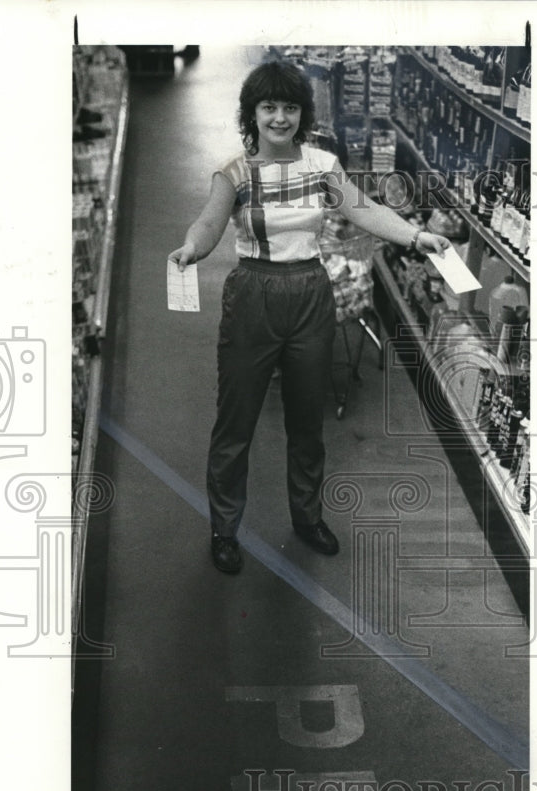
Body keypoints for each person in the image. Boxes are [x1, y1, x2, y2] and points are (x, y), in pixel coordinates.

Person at [169, 59, 450, 574]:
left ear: (304, 113)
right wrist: (191, 248)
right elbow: (208, 223)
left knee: (307, 420)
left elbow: (362, 209)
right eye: (269, 107)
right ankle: (224, 528)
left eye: (290, 107)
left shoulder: (323, 165)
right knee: (236, 423)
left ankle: (307, 516)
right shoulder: (233, 173)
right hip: (254, 295)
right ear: (251, 114)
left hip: (310, 295)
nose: (280, 118)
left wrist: (416, 236)